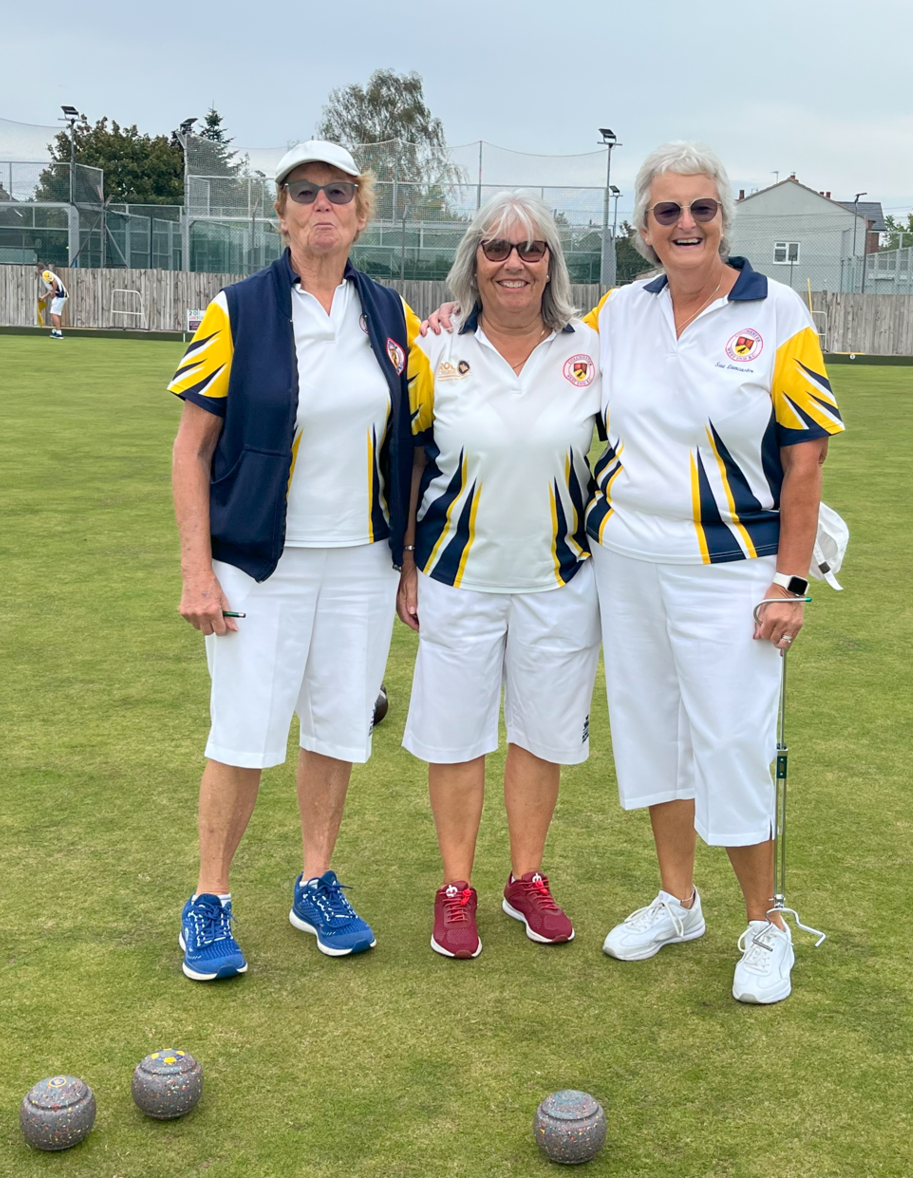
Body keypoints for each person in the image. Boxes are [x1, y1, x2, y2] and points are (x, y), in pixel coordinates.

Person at [584, 142, 844, 1005]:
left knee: (731, 742)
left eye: (702, 209)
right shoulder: (618, 310)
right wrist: (448, 329)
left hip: (734, 568)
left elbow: (804, 465)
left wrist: (791, 583)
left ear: (724, 218)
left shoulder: (776, 311)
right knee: (653, 733)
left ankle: (766, 924)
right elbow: (538, 355)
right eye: (668, 212)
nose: (686, 224)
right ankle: (677, 899)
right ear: (643, 230)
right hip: (627, 562)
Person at [166, 140, 424, 981]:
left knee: (339, 727)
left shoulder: (392, 314)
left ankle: (315, 881)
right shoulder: (235, 310)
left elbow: (419, 438)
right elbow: (190, 449)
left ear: (360, 211)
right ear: (281, 213)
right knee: (242, 733)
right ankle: (209, 899)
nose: (322, 205)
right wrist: (197, 570)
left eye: (339, 192)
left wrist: (410, 557)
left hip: (361, 561)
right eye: (304, 192)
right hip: (255, 561)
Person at [399, 192, 602, 960]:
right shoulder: (437, 351)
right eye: (497, 249)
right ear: (473, 262)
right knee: (456, 738)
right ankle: (457, 888)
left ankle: (526, 878)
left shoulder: (593, 348)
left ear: (551, 262)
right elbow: (411, 460)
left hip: (561, 576)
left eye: (531, 249)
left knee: (542, 734)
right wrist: (410, 565)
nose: (514, 263)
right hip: (459, 575)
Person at [38, 267, 68, 339]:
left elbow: (54, 282)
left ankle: (59, 333)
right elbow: (51, 289)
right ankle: (57, 330)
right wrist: (44, 297)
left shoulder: (45, 273)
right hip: (61, 295)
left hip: (60, 295)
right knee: (56, 314)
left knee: (54, 313)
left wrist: (53, 293)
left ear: (39, 269)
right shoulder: (47, 273)